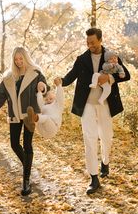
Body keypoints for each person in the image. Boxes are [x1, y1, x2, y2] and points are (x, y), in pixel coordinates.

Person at [55, 28, 130, 195]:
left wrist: (109, 78)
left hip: (106, 104)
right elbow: (71, 76)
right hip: (87, 104)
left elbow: (126, 75)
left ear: (100, 40)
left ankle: (105, 161)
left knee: (106, 137)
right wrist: (61, 81)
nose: (90, 46)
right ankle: (94, 177)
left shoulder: (111, 55)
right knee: (89, 139)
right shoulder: (81, 59)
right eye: (88, 43)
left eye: (93, 43)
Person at [0, 47, 48, 196]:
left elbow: (45, 86)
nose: (19, 62)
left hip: (29, 114)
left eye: (21, 58)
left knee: (27, 144)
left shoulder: (35, 73)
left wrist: (43, 87)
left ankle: (26, 182)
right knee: (14, 144)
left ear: (26, 58)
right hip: (14, 114)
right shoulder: (9, 77)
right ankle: (28, 165)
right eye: (16, 59)